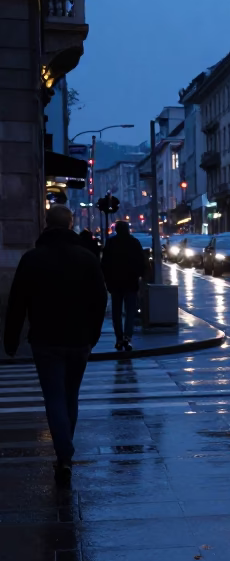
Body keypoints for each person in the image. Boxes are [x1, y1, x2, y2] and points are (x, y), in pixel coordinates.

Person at [4, 205, 107, 480]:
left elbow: (17, 302)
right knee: (71, 395)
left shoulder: (32, 258)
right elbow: (100, 298)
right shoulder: (87, 258)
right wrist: (94, 333)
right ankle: (64, 454)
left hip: (45, 339)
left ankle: (63, 454)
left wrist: (10, 339)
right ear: (71, 224)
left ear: (46, 224)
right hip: (78, 338)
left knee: (54, 397)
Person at [101, 220, 145, 351]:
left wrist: (107, 281)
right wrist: (138, 276)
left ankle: (119, 338)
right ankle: (128, 337)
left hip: (115, 283)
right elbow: (141, 262)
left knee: (116, 312)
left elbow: (105, 264)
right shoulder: (134, 243)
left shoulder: (111, 243)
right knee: (130, 312)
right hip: (130, 283)